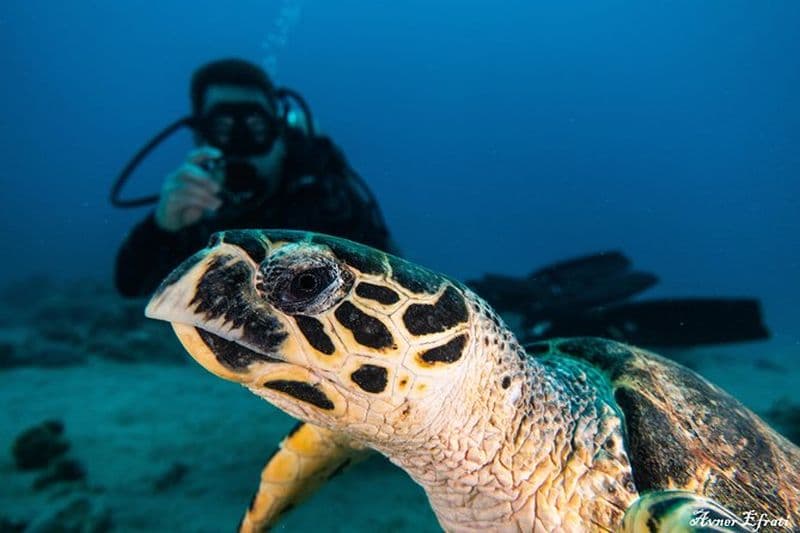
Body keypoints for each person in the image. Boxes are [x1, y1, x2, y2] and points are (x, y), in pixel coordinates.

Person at [115, 58, 396, 298]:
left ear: (278, 133)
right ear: (201, 136)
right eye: (223, 128)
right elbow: (131, 286)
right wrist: (163, 229)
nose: (240, 143)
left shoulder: (320, 189)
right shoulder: (190, 204)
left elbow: (389, 274)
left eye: (255, 127)